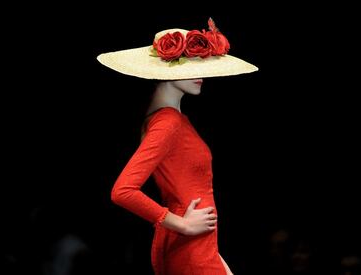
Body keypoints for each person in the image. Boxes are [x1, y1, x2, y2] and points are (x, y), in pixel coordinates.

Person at [97, 18, 258, 275]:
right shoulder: (168, 122)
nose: (202, 75)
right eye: (191, 65)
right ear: (166, 69)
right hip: (190, 243)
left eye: (202, 65)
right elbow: (123, 191)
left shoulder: (171, 119)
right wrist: (181, 225)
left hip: (198, 245)